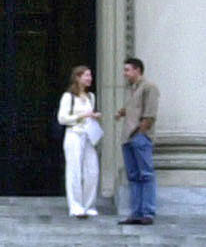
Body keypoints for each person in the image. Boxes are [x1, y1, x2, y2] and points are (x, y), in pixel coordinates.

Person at [114, 55, 158, 226]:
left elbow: (150, 114)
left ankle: (147, 212)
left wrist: (141, 133)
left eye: (127, 70)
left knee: (146, 175)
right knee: (133, 176)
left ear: (137, 70)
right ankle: (136, 213)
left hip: (139, 138)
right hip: (128, 138)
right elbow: (134, 108)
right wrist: (122, 112)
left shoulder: (150, 87)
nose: (125, 74)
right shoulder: (133, 89)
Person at [57, 65, 104, 218]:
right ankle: (76, 206)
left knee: (92, 170)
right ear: (77, 77)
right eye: (86, 75)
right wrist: (81, 116)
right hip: (74, 134)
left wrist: (93, 116)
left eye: (90, 75)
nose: (89, 78)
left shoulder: (91, 97)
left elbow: (88, 115)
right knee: (74, 170)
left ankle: (89, 204)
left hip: (88, 135)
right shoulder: (68, 97)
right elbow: (62, 118)